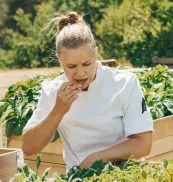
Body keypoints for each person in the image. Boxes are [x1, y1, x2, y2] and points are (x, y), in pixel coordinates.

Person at [21, 11, 153, 171]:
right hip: (78, 177)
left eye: (86, 64)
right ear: (59, 59)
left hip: (124, 173)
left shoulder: (125, 83)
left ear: (95, 53)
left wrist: (95, 159)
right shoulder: (52, 90)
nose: (80, 73)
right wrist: (58, 110)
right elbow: (28, 147)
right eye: (71, 67)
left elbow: (143, 144)